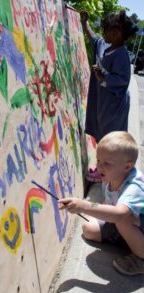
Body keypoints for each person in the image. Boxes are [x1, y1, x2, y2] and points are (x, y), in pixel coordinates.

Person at [59, 131, 144, 275]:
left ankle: (141, 259)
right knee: (88, 230)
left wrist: (84, 206)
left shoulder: (133, 187)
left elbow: (119, 214)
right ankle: (128, 242)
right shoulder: (112, 176)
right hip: (124, 224)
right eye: (98, 160)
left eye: (107, 163)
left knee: (123, 220)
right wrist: (94, 214)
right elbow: (109, 201)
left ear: (127, 166)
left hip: (133, 224)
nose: (99, 166)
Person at [80, 10, 138, 182]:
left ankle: (104, 174)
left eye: (105, 30)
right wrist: (84, 24)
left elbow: (122, 79)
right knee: (101, 134)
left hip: (113, 107)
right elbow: (94, 39)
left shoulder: (121, 55)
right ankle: (103, 168)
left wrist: (104, 78)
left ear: (116, 33)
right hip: (102, 103)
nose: (103, 33)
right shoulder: (106, 45)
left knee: (110, 140)